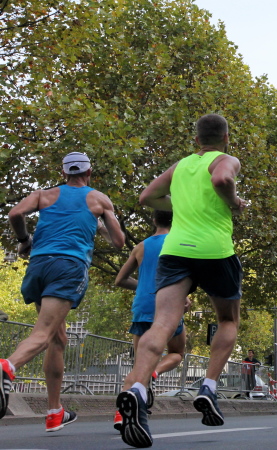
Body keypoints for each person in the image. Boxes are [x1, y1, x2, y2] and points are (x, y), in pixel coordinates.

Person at [117, 114, 247, 448]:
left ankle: (137, 388)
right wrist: (234, 202)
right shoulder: (226, 159)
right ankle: (208, 388)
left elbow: (147, 197)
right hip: (215, 252)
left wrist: (180, 205)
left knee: (161, 324)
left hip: (175, 251)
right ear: (226, 137)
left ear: (196, 140)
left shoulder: (181, 166)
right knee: (227, 320)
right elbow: (222, 179)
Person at [0, 152, 124, 431]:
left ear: (64, 172)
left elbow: (15, 213)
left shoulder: (43, 195)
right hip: (68, 266)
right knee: (44, 333)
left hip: (39, 265)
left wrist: (24, 239)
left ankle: (55, 411)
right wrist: (100, 223)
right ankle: (7, 367)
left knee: (58, 337)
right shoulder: (99, 199)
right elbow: (118, 241)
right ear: (89, 172)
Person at [112, 210, 191, 430]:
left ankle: (120, 415)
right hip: (168, 307)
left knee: (139, 366)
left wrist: (145, 286)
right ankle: (155, 371)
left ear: (154, 220)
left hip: (143, 307)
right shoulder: (179, 241)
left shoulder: (141, 247)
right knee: (177, 353)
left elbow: (120, 279)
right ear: (176, 220)